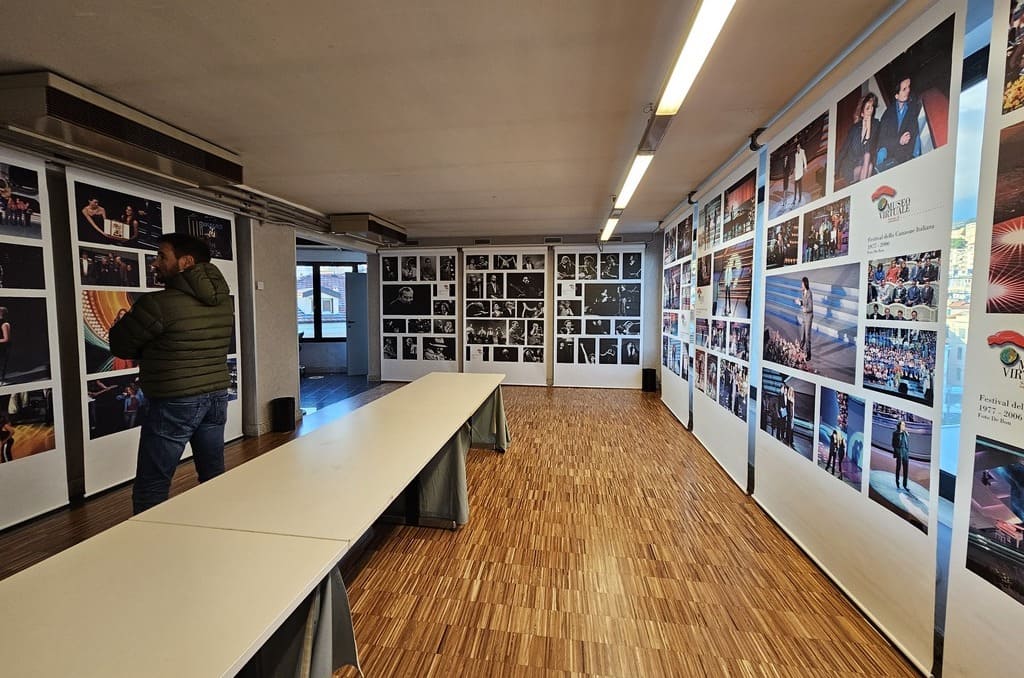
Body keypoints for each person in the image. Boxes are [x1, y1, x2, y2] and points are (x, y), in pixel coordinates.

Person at [109, 233, 234, 515]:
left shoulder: (157, 304)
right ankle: (219, 530)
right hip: (215, 396)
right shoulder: (222, 301)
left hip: (175, 399)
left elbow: (121, 344)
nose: (155, 263)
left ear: (186, 261)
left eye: (162, 256)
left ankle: (150, 549)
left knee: (152, 483)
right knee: (214, 474)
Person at [876, 77, 920, 172]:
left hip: (907, 152)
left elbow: (914, 129)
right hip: (891, 153)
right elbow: (882, 140)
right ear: (896, 96)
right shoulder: (887, 114)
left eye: (908, 87)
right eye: (904, 89)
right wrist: (898, 141)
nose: (908, 90)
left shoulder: (913, 106)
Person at [837, 92, 880, 184]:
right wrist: (835, 170)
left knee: (869, 163)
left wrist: (868, 128)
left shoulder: (876, 125)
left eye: (872, 107)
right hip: (852, 165)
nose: (870, 111)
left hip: (866, 163)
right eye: (868, 108)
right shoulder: (854, 128)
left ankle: (860, 190)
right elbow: (844, 149)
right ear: (862, 113)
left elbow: (868, 148)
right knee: (868, 165)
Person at [796, 277, 813, 361]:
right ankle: (800, 349)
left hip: (808, 317)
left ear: (805, 284)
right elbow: (804, 303)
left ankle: (808, 354)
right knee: (802, 335)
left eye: (802, 284)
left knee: (807, 336)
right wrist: (800, 302)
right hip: (804, 316)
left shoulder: (809, 293)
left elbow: (810, 308)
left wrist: (804, 309)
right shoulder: (803, 292)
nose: (801, 285)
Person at [892, 419, 911, 490]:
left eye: (904, 425)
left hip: (905, 452)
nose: (904, 426)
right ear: (899, 425)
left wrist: (907, 451)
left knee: (906, 469)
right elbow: (893, 444)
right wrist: (898, 452)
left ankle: (905, 485)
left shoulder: (905, 433)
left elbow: (907, 442)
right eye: (903, 425)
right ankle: (897, 483)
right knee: (898, 468)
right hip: (899, 452)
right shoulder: (895, 433)